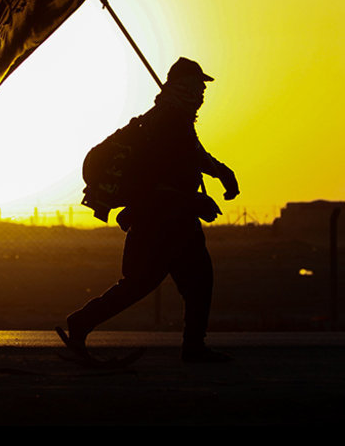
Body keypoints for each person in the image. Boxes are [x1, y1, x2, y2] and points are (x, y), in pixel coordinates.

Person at [59, 57, 239, 363]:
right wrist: (197, 201)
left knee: (191, 281)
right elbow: (157, 181)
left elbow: (194, 155)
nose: (201, 94)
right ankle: (81, 323)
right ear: (184, 87)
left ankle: (193, 348)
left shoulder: (174, 120)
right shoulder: (168, 122)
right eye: (197, 86)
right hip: (161, 221)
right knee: (147, 283)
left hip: (174, 221)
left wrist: (222, 172)